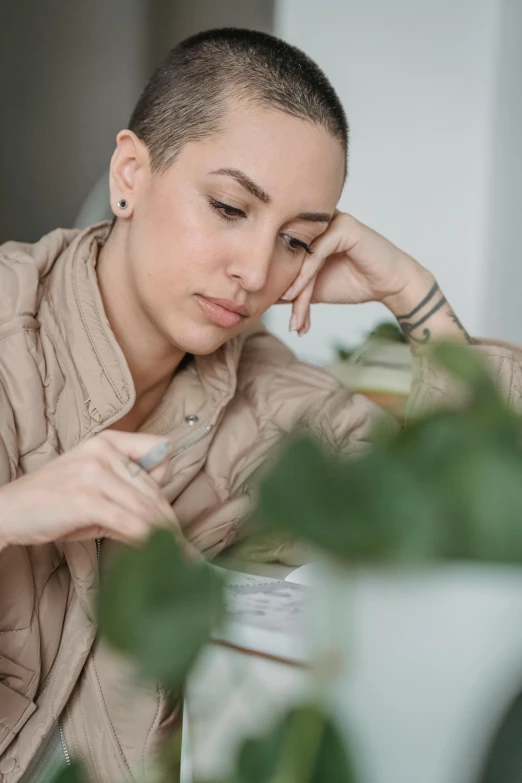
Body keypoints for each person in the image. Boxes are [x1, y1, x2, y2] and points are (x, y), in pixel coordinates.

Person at [1, 28, 521, 782]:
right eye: (229, 207)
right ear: (130, 173)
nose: (254, 270)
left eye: (297, 242)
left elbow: (478, 491)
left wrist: (411, 292)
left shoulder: (273, 404)